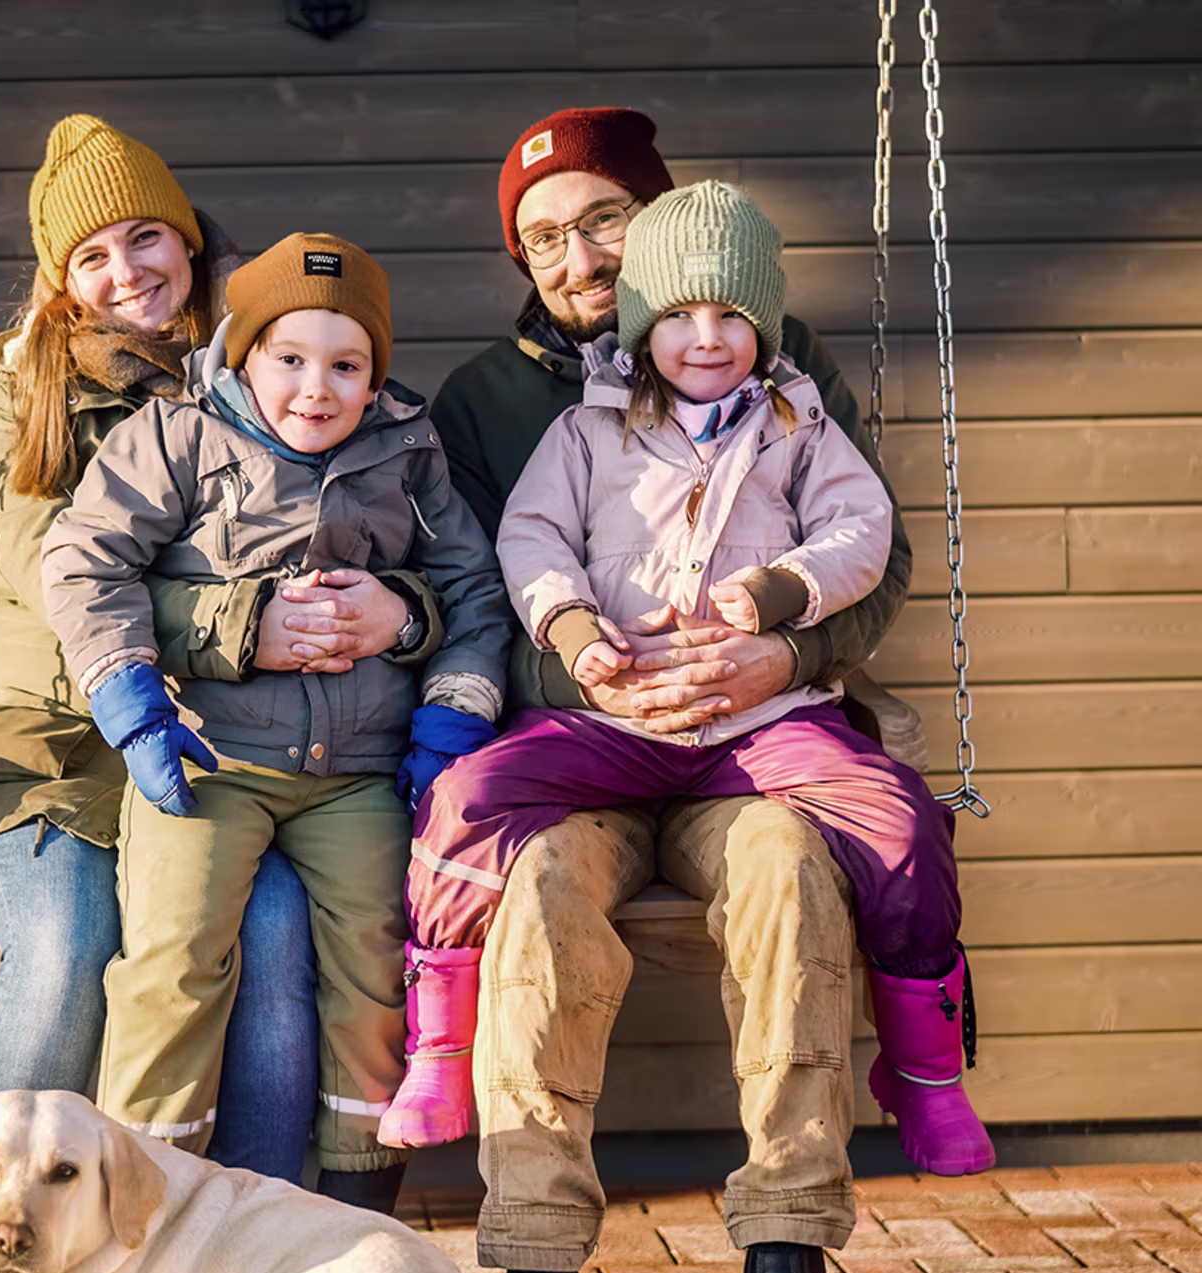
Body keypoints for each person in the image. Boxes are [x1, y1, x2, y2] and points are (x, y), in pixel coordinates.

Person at [427, 107, 927, 1273]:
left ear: (655, 228)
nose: (572, 252)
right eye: (540, 236)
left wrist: (783, 654)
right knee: (533, 898)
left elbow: (873, 556)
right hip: (583, 753)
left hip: (749, 748)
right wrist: (596, 669)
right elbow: (483, 588)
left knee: (787, 876)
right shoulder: (489, 398)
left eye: (598, 219)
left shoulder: (781, 356)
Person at [400, 179, 992, 1201]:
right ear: (641, 329)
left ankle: (925, 1071)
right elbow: (529, 536)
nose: (707, 337)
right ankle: (441, 1045)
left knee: (899, 819)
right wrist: (575, 632)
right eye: (678, 315)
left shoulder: (799, 420)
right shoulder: (585, 430)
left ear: (764, 326)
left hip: (759, 720)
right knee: (461, 802)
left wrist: (778, 597)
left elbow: (863, 534)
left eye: (731, 315)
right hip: (609, 714)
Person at [0, 118, 440, 1192]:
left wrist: (388, 612)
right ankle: (10, 1245)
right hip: (63, 750)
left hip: (230, 753)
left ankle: (253, 1236)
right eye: (92, 256)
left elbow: (397, 540)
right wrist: (241, 624)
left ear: (188, 242)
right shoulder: (18, 404)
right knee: (71, 942)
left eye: (145, 238)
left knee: (269, 932)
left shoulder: (277, 363)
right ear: (61, 282)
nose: (127, 273)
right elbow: (52, 572)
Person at [41, 232, 513, 1209]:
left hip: (360, 769)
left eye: (346, 365)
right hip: (210, 756)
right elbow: (86, 563)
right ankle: (143, 1196)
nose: (316, 388)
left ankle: (354, 1203)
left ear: (375, 375)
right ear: (240, 355)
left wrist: (448, 716)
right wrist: (129, 697)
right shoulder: (175, 437)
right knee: (173, 960)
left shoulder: (405, 449)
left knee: (381, 964)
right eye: (287, 358)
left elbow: (472, 592)